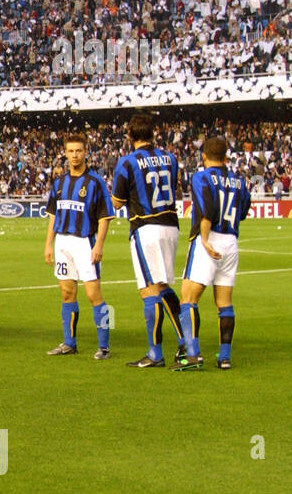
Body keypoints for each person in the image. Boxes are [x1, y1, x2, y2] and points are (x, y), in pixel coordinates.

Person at [111, 114, 186, 368]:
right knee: (162, 285)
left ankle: (156, 353)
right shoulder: (171, 157)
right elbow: (175, 187)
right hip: (171, 225)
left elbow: (118, 202)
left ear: (130, 135)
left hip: (145, 226)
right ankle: (186, 341)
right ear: (153, 134)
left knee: (149, 289)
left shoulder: (127, 162)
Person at [176, 136, 251, 371]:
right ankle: (225, 358)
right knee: (224, 303)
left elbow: (206, 211)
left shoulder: (201, 177)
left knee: (188, 298)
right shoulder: (239, 180)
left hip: (209, 239)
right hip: (231, 241)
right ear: (226, 157)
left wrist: (205, 240)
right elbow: (244, 210)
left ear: (204, 156)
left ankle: (193, 354)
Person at [43, 132, 114, 359]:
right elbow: (53, 215)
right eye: (71, 151)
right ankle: (69, 343)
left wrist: (99, 245)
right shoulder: (59, 183)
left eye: (79, 151)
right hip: (63, 242)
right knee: (66, 293)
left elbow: (105, 217)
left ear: (86, 153)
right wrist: (48, 244)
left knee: (95, 294)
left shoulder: (95, 182)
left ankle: (105, 346)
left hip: (85, 242)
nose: (75, 155)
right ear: (65, 153)